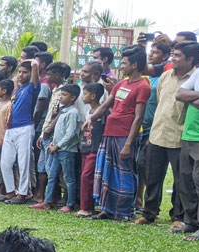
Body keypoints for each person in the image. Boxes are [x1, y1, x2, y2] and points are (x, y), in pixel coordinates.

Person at [134, 42, 198, 226]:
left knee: (181, 181)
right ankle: (149, 213)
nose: (173, 59)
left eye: (177, 55)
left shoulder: (195, 78)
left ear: (190, 59)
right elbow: (161, 101)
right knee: (152, 176)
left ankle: (178, 216)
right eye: (173, 55)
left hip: (179, 136)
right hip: (157, 134)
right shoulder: (165, 76)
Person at [88, 45, 149, 221]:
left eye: (124, 63)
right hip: (110, 132)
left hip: (125, 135)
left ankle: (123, 212)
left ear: (135, 65)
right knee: (107, 171)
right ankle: (107, 209)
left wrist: (129, 143)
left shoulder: (142, 86)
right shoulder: (121, 83)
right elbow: (106, 105)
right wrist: (90, 119)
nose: (121, 66)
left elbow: (138, 118)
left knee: (124, 172)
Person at [175, 32, 199, 240]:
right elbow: (180, 94)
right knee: (186, 179)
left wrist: (194, 97)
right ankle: (191, 222)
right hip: (189, 133)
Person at [31, 85, 81, 212]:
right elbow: (59, 131)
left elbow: (70, 134)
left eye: (64, 95)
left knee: (69, 178)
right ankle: (47, 201)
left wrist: (57, 145)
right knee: (52, 176)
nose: (61, 97)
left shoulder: (73, 113)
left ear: (73, 97)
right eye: (61, 94)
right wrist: (53, 142)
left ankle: (70, 204)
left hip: (67, 150)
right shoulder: (63, 111)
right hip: (57, 149)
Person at [0, 60, 41, 204]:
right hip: (10, 128)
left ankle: (22, 194)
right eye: (20, 72)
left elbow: (35, 72)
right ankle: (10, 191)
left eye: (25, 72)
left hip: (25, 127)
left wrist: (32, 63)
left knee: (23, 162)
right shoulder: (16, 90)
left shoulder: (32, 87)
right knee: (5, 162)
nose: (21, 75)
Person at [77, 83, 106, 218]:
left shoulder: (101, 111)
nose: (83, 97)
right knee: (84, 176)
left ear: (93, 96)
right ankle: (87, 206)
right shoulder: (88, 111)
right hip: (86, 147)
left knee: (87, 177)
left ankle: (87, 207)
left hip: (95, 148)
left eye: (85, 94)